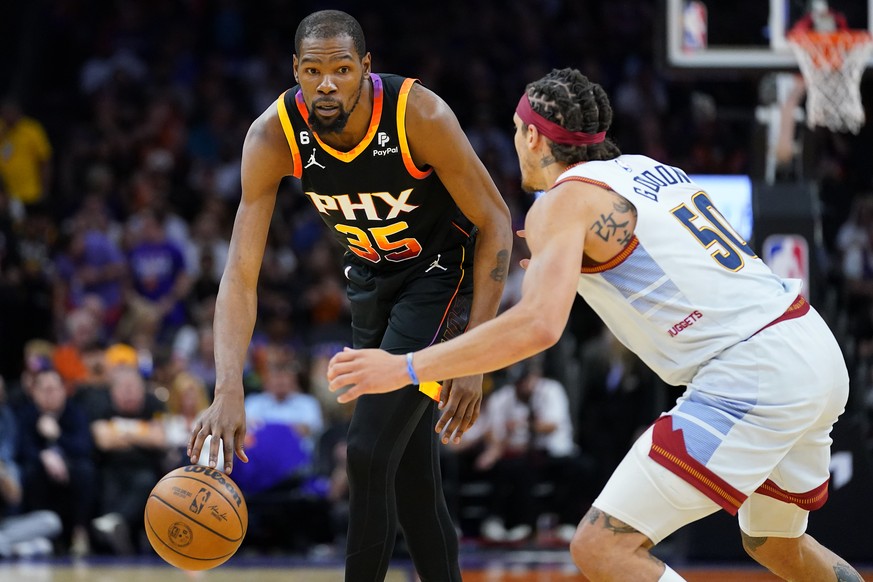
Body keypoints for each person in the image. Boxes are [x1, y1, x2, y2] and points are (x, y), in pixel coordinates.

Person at [327, 68, 862, 581]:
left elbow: (538, 327)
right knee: (774, 541)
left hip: (751, 372)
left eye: (517, 133)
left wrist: (404, 366)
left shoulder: (561, 203)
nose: (515, 145)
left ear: (534, 138)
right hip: (810, 344)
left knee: (602, 546)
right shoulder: (648, 169)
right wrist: (571, 272)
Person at [186, 9, 512, 582]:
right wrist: (228, 385)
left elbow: (497, 222)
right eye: (313, 71)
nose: (327, 83)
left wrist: (475, 354)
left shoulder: (420, 114)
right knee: (408, 470)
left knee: (364, 452)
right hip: (369, 283)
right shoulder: (272, 136)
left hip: (441, 276)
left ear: (366, 68)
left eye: (341, 68)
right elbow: (239, 275)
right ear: (296, 71)